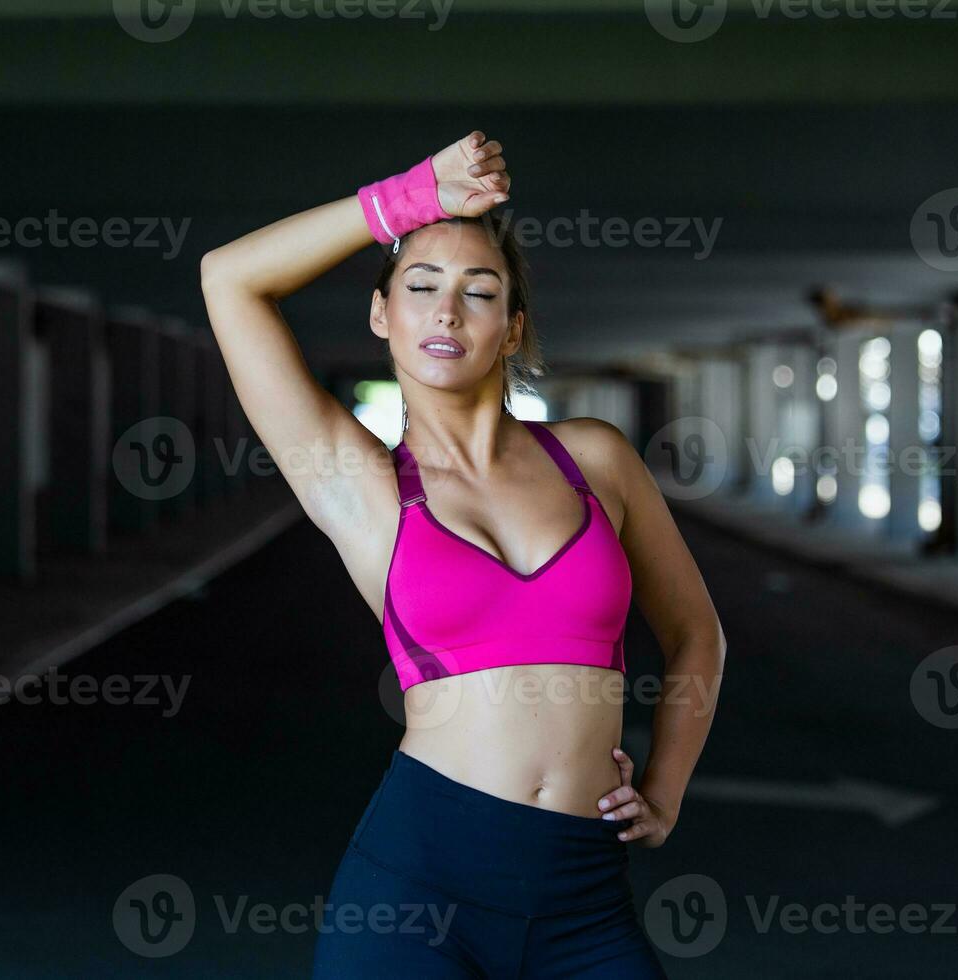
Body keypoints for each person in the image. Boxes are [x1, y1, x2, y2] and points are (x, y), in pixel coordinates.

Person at [200, 130, 726, 978]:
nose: (447, 311)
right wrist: (411, 199)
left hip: (585, 899)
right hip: (416, 894)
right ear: (382, 315)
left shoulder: (594, 458)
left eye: (479, 293)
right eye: (421, 286)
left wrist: (665, 787)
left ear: (512, 327)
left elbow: (697, 631)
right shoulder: (360, 486)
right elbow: (228, 278)